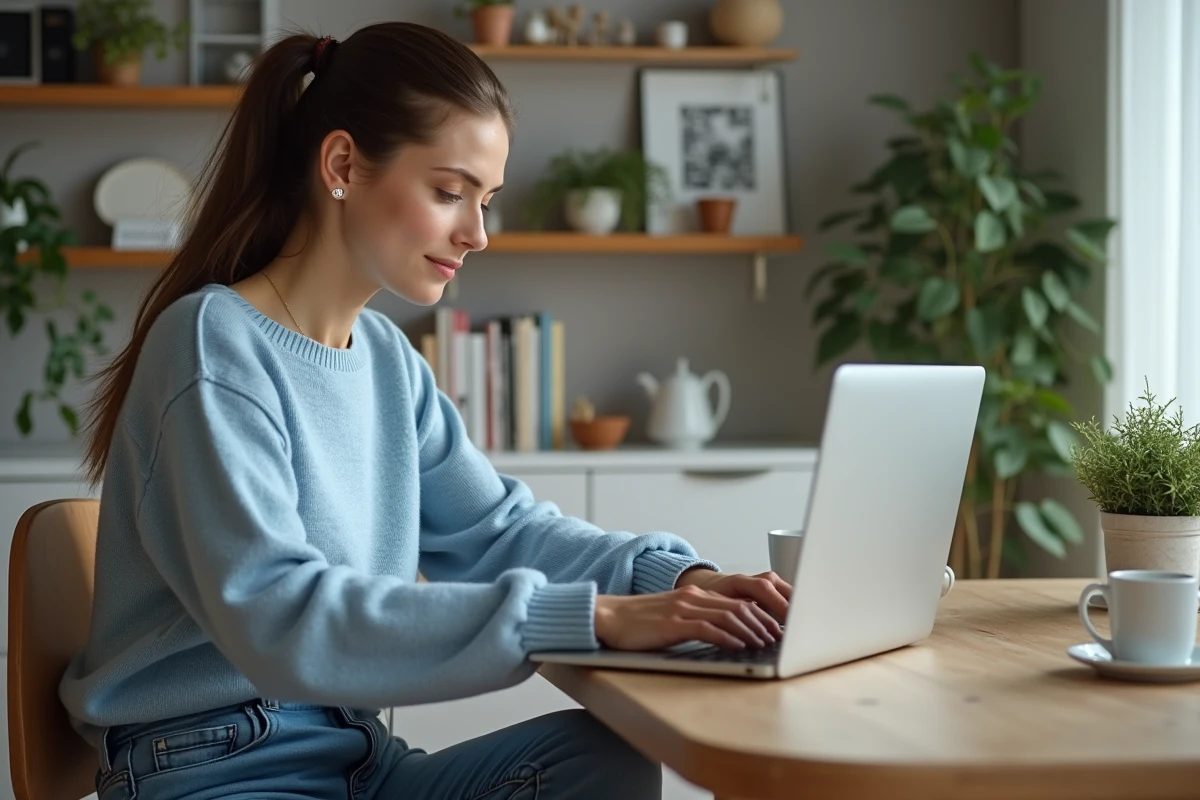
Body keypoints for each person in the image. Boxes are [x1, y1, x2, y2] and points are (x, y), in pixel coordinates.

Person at [61, 22, 792, 800]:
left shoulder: (385, 360)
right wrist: (597, 618)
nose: (476, 233)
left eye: (486, 201)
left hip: (358, 759)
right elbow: (281, 619)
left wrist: (679, 580)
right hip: (213, 766)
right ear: (342, 164)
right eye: (449, 192)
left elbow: (501, 533)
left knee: (604, 754)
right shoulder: (213, 345)